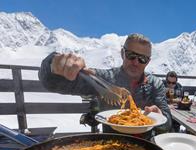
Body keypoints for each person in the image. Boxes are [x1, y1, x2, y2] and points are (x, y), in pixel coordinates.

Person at [38, 33, 172, 134]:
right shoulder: (105, 78)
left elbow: (167, 123)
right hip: (111, 142)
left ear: (148, 62)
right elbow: (52, 83)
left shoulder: (155, 84)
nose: (136, 62)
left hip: (147, 145)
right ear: (122, 53)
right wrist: (52, 65)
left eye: (142, 58)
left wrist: (159, 117)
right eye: (131, 55)